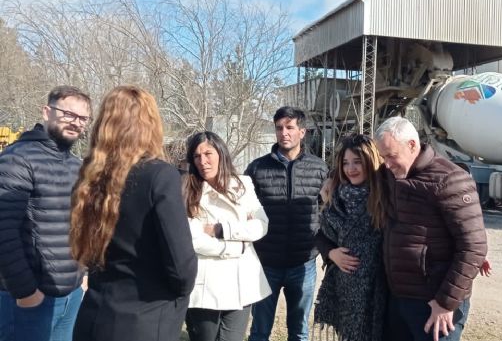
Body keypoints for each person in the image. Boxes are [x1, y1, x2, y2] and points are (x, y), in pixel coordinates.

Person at [69, 86, 198, 341]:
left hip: (94, 315)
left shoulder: (90, 176)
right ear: (149, 126)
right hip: (144, 320)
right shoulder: (159, 176)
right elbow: (182, 268)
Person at [373, 116, 488, 341]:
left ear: (412, 145)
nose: (386, 164)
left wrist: (445, 302)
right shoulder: (392, 174)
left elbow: (473, 246)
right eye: (383, 157)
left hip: (434, 303)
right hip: (399, 299)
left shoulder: (450, 179)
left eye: (391, 156)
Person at [0, 86, 91, 341]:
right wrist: (25, 291)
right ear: (47, 112)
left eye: (82, 118)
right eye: (68, 114)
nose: (76, 123)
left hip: (70, 296)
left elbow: (78, 226)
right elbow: (3, 232)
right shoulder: (17, 159)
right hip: (29, 300)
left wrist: (82, 274)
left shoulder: (75, 165)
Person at [246, 106, 328, 341]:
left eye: (290, 127)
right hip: (266, 262)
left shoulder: (319, 168)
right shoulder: (257, 168)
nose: (284, 133)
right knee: (259, 331)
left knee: (299, 332)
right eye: (279, 128)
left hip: (303, 264)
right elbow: (243, 207)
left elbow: (329, 210)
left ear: (302, 132)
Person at [183, 131, 271, 341]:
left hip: (241, 280)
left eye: (208, 153)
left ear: (221, 153)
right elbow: (191, 237)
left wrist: (220, 230)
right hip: (204, 283)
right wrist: (234, 246)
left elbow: (261, 225)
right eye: (197, 156)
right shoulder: (186, 189)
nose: (203, 161)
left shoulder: (243, 184)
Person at [313, 134, 387, 341]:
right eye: (345, 163)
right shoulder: (336, 195)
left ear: (370, 161)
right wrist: (331, 253)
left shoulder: (386, 193)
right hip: (344, 287)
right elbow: (319, 234)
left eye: (357, 162)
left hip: (379, 287)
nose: (350, 169)